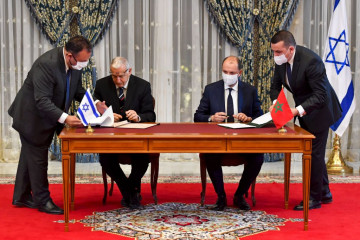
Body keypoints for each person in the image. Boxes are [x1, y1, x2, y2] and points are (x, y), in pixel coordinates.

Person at [8, 35, 95, 214]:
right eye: (82, 61)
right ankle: (43, 200)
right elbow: (42, 100)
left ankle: (21, 196)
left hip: (48, 115)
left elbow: (77, 91)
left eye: (87, 61)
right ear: (70, 55)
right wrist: (66, 118)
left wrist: (95, 105)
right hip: (31, 117)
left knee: (29, 155)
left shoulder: (75, 64)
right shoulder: (46, 64)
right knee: (38, 157)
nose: (84, 65)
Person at [269, 30, 342, 210]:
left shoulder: (311, 61)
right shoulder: (281, 61)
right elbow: (275, 86)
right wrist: (276, 105)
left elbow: (320, 96)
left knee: (313, 154)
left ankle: (314, 198)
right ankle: (324, 192)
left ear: (290, 49)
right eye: (273, 51)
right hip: (303, 110)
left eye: (278, 52)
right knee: (314, 153)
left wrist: (295, 111)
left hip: (320, 110)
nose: (275, 56)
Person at [194, 56, 264, 211]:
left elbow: (260, 116)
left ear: (239, 73)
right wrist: (211, 118)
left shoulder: (250, 90)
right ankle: (221, 197)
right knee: (209, 155)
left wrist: (249, 118)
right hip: (217, 140)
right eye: (225, 71)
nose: (227, 75)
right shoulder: (211, 89)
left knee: (258, 157)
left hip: (244, 141)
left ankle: (239, 195)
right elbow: (197, 116)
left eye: (231, 72)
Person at [94, 57, 156, 209]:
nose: (118, 79)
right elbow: (94, 109)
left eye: (121, 75)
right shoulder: (102, 84)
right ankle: (130, 191)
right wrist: (106, 115)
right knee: (106, 159)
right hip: (111, 138)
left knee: (142, 159)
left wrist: (139, 116)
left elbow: (151, 115)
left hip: (135, 137)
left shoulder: (142, 86)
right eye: (114, 75)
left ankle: (129, 191)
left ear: (129, 71)